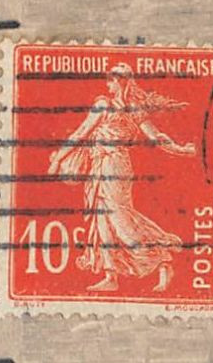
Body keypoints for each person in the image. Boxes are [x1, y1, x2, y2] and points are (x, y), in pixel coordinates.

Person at [46, 63, 196, 293]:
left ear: (119, 82)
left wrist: (58, 160)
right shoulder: (120, 107)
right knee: (102, 219)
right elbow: (82, 134)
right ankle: (111, 274)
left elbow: (81, 134)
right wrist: (180, 149)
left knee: (120, 219)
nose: (109, 84)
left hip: (114, 165)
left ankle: (162, 257)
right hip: (101, 165)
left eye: (112, 80)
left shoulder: (113, 106)